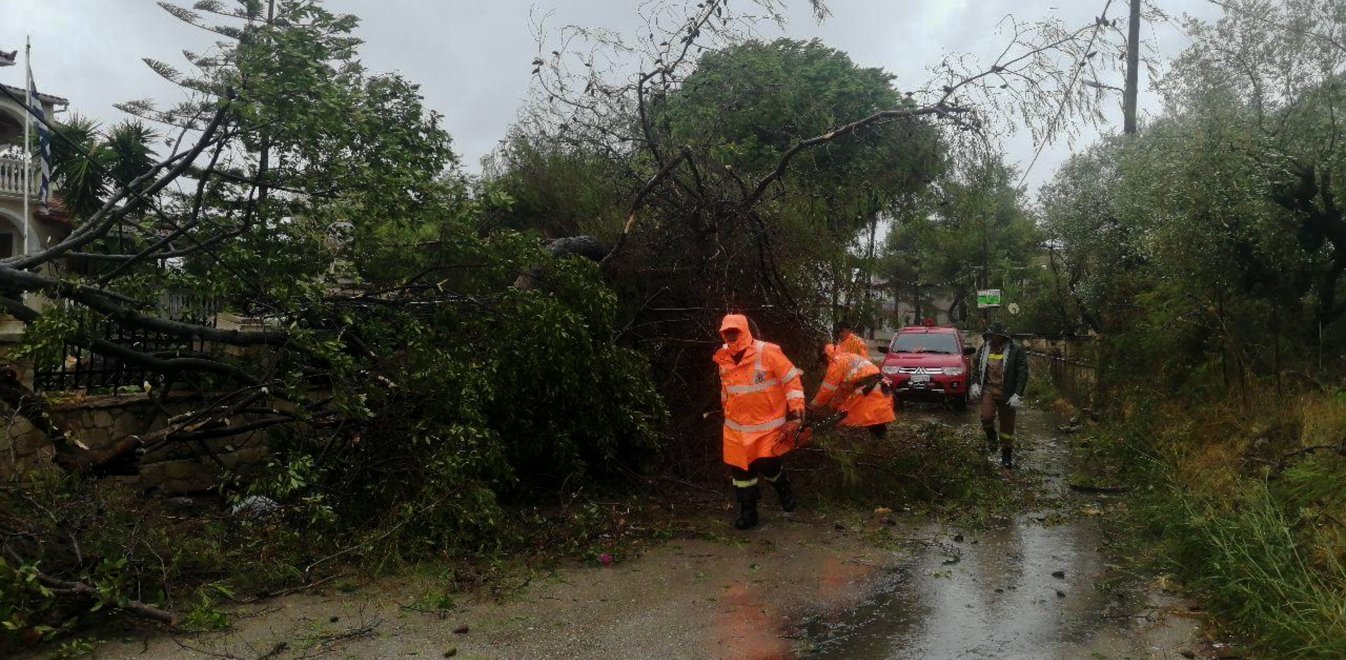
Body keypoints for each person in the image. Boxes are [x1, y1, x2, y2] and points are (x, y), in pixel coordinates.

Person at [714, 314, 806, 530]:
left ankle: (784, 491)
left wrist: (796, 412)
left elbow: (791, 380)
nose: (730, 336)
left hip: (767, 427)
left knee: (769, 466)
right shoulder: (723, 358)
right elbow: (727, 391)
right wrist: (725, 412)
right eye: (726, 332)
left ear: (744, 330)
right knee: (741, 474)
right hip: (736, 429)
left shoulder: (767, 351)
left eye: (734, 332)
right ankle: (749, 513)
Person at [969, 321, 1029, 468]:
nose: (993, 338)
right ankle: (991, 436)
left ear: (1003, 337)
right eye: (991, 335)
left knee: (1007, 427)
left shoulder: (1015, 351)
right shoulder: (985, 349)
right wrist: (975, 383)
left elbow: (1023, 373)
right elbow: (975, 366)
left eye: (996, 335)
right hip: (989, 390)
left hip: (1007, 392)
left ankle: (1006, 455)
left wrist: (1017, 394)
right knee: (986, 417)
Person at [810, 343, 896, 438]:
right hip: (880, 386)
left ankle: (865, 443)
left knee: (853, 420)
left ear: (826, 356)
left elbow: (827, 390)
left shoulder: (835, 362)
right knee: (875, 421)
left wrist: (814, 406)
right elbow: (843, 392)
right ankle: (879, 444)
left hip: (868, 390)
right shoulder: (850, 357)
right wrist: (832, 407)